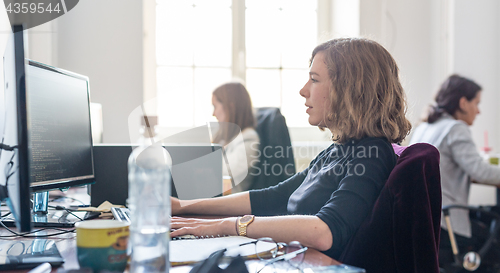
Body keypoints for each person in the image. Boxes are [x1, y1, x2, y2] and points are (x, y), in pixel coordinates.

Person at [171, 38, 412, 260]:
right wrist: (184, 207)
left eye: (314, 80)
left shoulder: (372, 153)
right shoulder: (338, 149)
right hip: (302, 263)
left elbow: (324, 231)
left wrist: (230, 225)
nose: (303, 90)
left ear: (350, 89)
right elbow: (273, 196)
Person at [410, 74, 500, 250]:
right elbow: (481, 172)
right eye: (477, 103)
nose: (479, 111)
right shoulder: (455, 128)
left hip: (423, 217)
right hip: (445, 223)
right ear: (463, 103)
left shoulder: (424, 127)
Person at [211, 81, 260, 193]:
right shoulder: (225, 137)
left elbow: (222, 171)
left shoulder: (249, 139)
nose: (213, 113)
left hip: (229, 200)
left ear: (230, 107)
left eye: (215, 106)